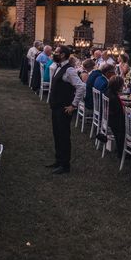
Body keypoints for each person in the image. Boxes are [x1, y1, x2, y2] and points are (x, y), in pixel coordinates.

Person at [46, 45, 85, 174]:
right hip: (56, 107)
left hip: (64, 108)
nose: (53, 54)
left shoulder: (69, 70)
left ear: (62, 55)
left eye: (56, 52)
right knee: (57, 134)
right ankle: (58, 160)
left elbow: (80, 87)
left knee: (64, 136)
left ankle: (65, 165)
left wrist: (73, 105)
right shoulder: (59, 67)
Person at [105, 76, 126, 157]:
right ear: (118, 86)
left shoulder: (108, 92)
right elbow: (121, 112)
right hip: (117, 123)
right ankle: (122, 151)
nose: (123, 86)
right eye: (122, 85)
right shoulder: (114, 98)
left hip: (110, 119)